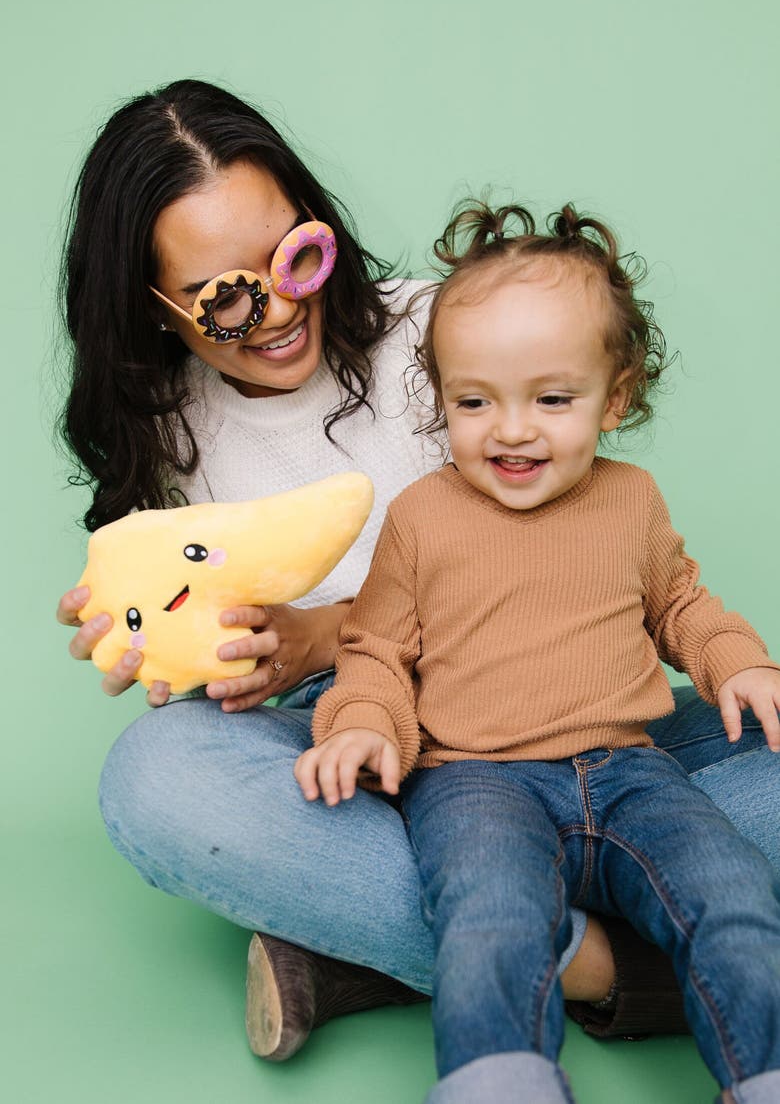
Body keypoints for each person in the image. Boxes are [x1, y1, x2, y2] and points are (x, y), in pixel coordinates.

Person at [56, 81, 779, 1063]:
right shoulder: (166, 434)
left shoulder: (458, 336)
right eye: (225, 295)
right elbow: (214, 647)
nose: (276, 309)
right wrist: (178, 652)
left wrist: (326, 622)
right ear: (151, 310)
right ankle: (622, 971)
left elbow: (576, 567)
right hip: (362, 747)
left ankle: (378, 955)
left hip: (575, 724)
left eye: (294, 255)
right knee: (158, 778)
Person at [295, 200, 780, 1103]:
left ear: (617, 395)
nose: (511, 430)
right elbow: (375, 652)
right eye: (474, 401)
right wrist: (361, 725)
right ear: (440, 398)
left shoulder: (631, 501)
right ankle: (500, 1080)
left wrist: (739, 663)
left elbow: (680, 603)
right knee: (490, 920)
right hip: (475, 779)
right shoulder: (422, 518)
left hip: (635, 771)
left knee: (732, 892)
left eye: (552, 400)